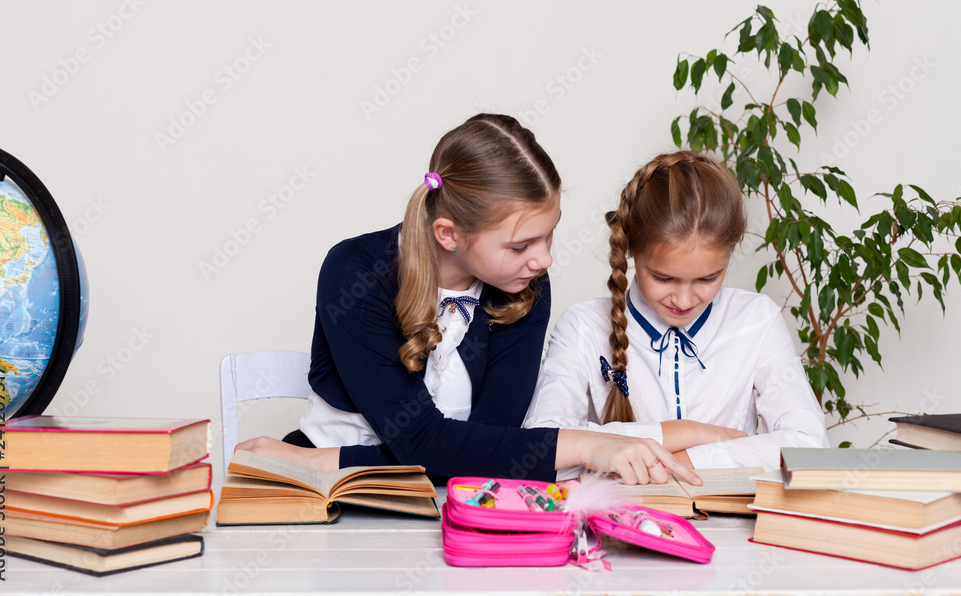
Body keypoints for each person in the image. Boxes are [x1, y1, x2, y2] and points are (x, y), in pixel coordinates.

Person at [237, 114, 700, 486]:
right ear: (449, 234)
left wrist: (329, 460)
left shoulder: (526, 286)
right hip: (330, 490)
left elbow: (491, 441)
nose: (544, 258)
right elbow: (428, 443)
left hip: (405, 483)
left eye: (549, 234)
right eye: (521, 245)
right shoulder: (355, 272)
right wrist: (586, 445)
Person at [524, 150, 828, 473]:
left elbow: (808, 444)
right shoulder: (582, 327)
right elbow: (538, 445)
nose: (683, 301)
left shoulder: (757, 320)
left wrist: (682, 462)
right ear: (631, 249)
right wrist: (688, 433)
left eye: (708, 278)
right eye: (663, 278)